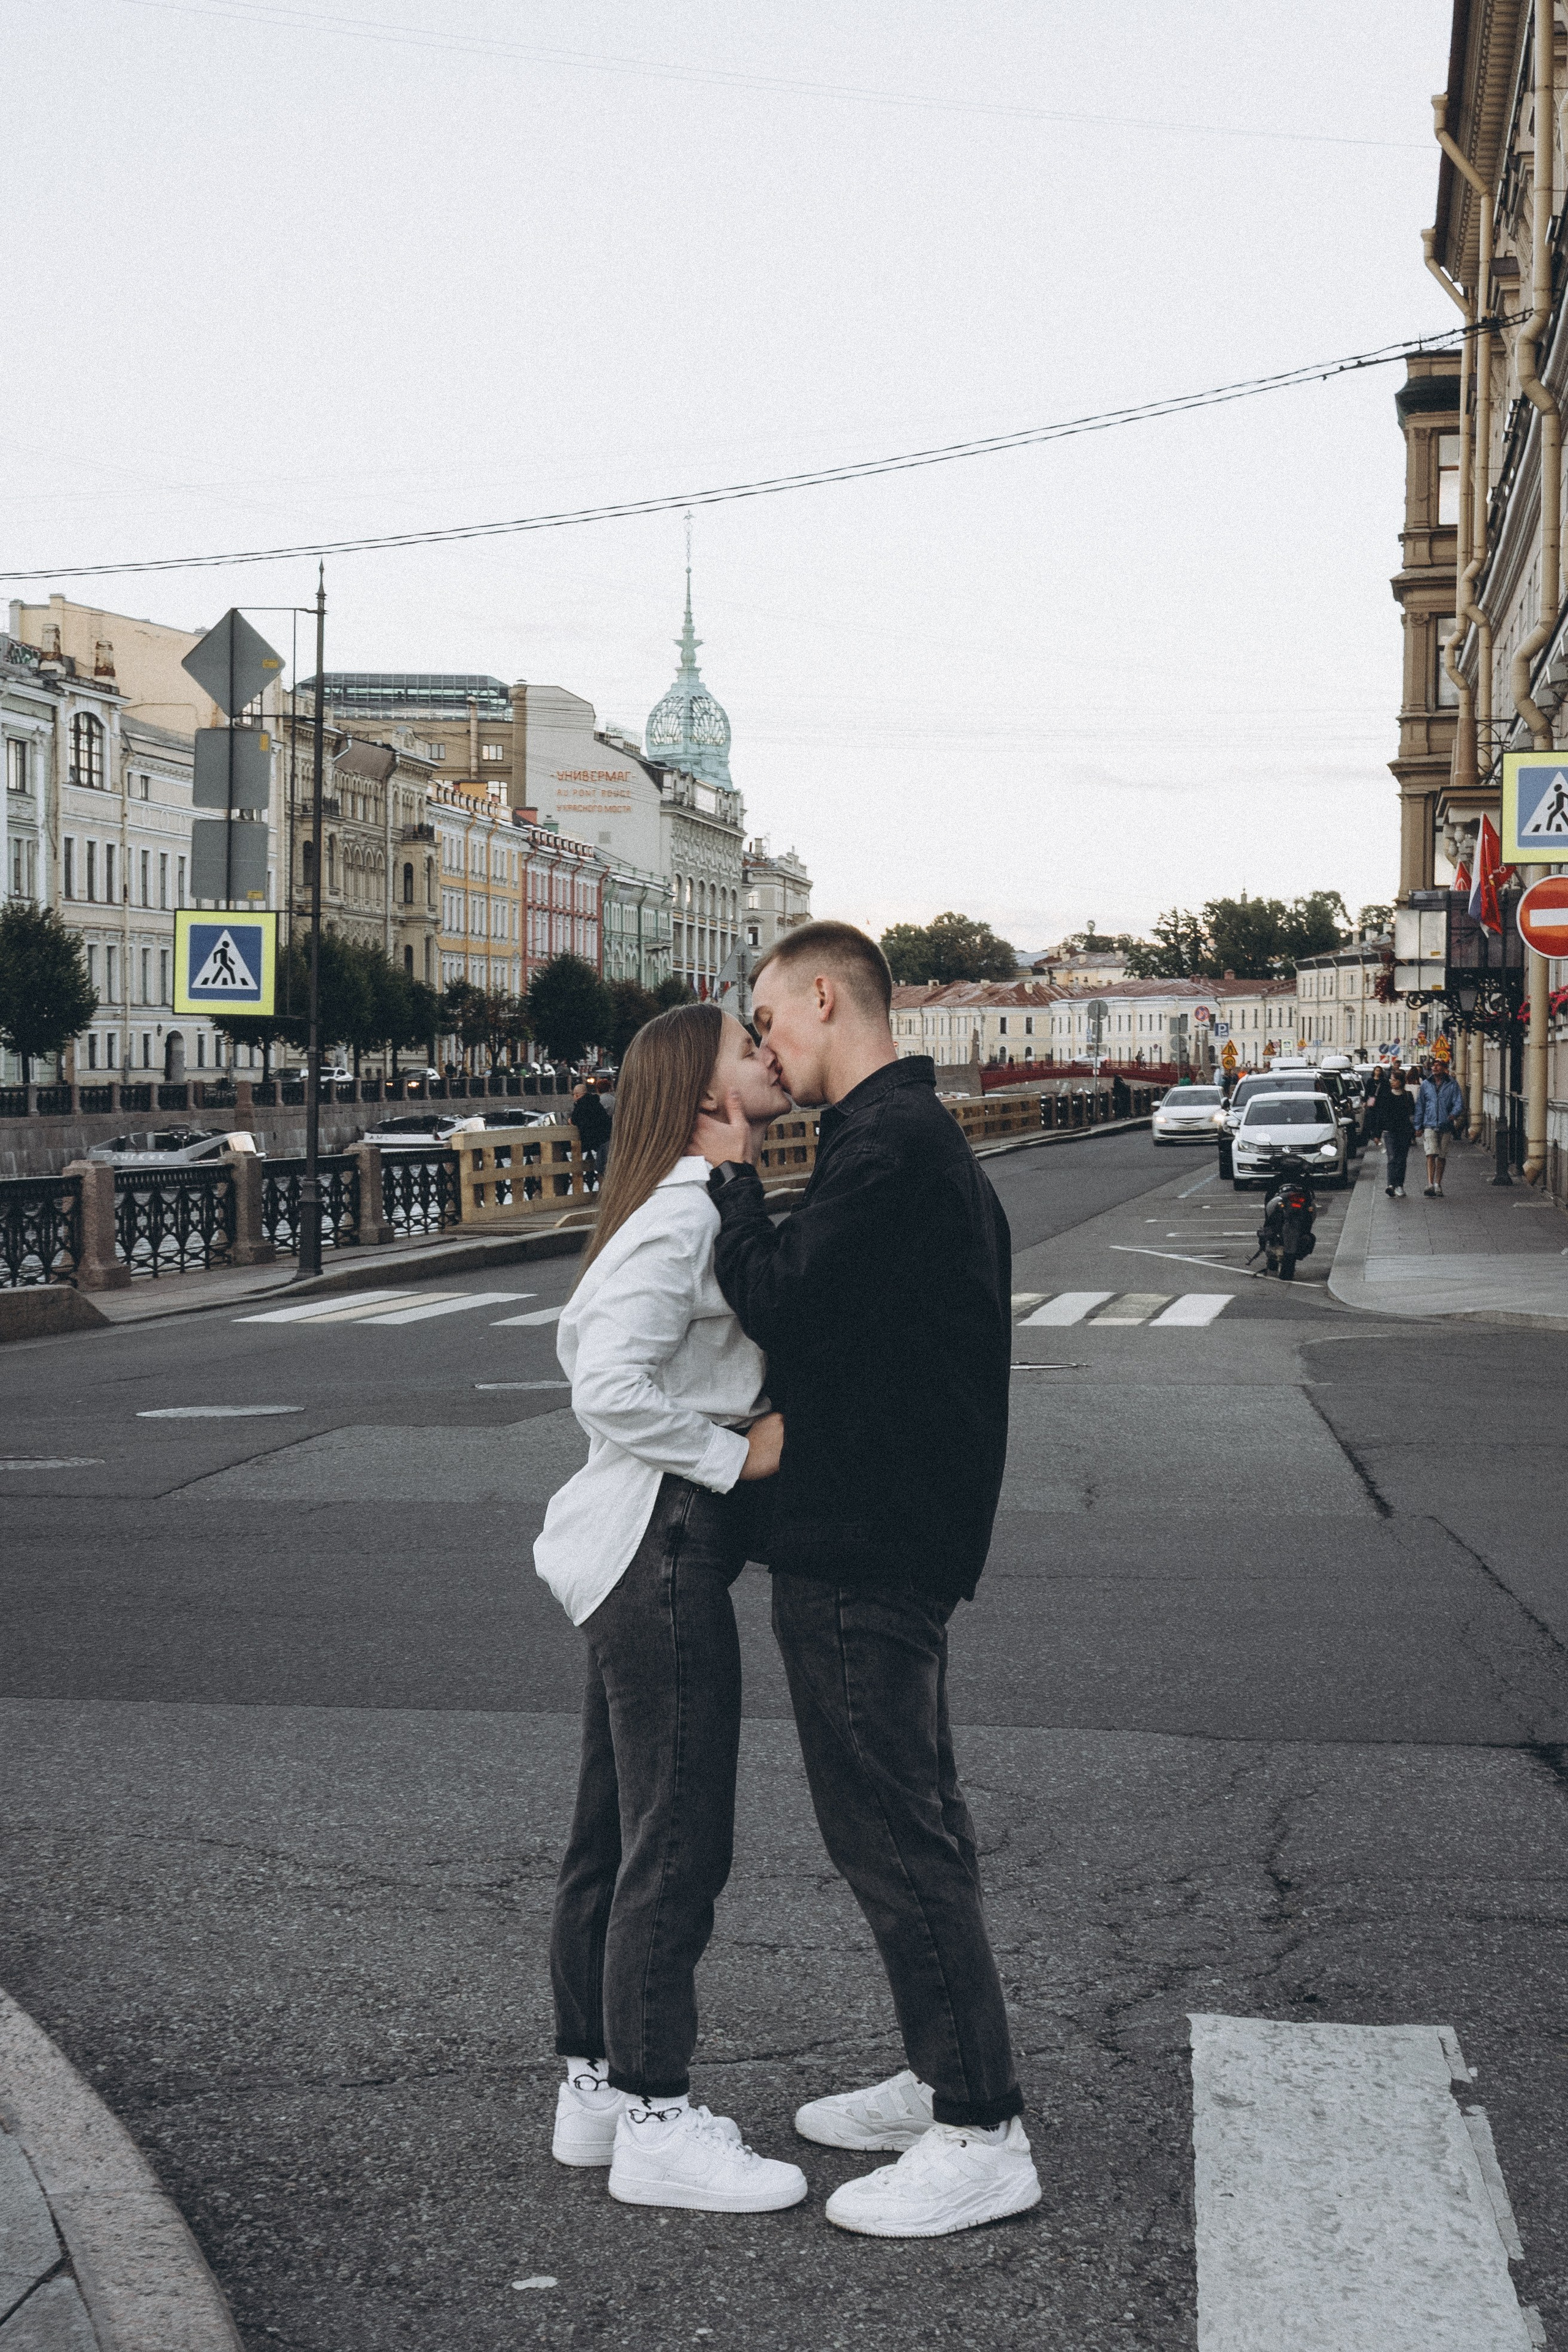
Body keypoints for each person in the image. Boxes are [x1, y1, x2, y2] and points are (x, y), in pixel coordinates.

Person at [694, 921, 1041, 2241]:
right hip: (899, 1527)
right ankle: (940, 2071)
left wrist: (731, 1176)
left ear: (824, 997)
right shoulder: (906, 1138)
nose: (766, 1046)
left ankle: (977, 2130)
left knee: (890, 1835)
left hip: (863, 1538)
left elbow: (782, 1295)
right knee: (917, 1820)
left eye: (770, 1021)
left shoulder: (886, 1147)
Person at [535, 1003, 808, 2216]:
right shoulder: (691, 1208)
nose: (770, 1059)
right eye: (748, 1053)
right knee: (679, 1833)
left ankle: (594, 2089)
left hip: (626, 1547)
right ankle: (655, 2113)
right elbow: (603, 1383)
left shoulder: (662, 1205)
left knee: (616, 1830)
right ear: (703, 1098)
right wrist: (727, 1454)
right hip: (661, 1544)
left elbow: (576, 1341)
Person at [1414, 1060, 1464, 1196]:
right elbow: (1421, 1106)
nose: (1435, 1068)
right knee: (1430, 1154)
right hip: (1429, 1124)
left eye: (1438, 1065)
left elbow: (1459, 1102)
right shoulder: (1426, 1085)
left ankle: (1438, 1184)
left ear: (1444, 1069)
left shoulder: (1452, 1084)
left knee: (1441, 1156)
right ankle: (1430, 1184)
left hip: (1445, 1125)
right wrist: (1418, 1126)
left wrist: (1453, 1114)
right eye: (1433, 1065)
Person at [1376, 1068, 1415, 1199]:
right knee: (1392, 1158)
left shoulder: (1407, 1096)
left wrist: (1413, 1130)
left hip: (1404, 1132)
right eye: (1391, 1080)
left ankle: (1400, 1185)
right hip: (1390, 1132)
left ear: (1400, 1082)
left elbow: (1411, 1114)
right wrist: (1377, 1133)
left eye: (1394, 1080)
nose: (1392, 1082)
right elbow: (1381, 1115)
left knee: (1402, 1159)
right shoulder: (1387, 1095)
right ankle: (1391, 1185)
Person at [569, 1076, 612, 1185]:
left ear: (577, 1095)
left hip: (601, 1140)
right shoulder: (596, 1101)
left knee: (601, 1168)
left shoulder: (581, 1105)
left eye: (574, 1095)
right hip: (609, 1136)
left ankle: (606, 1195)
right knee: (608, 1167)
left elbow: (574, 1120)